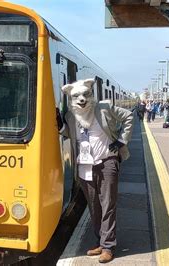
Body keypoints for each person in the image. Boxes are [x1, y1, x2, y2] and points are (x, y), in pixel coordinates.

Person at [57, 78, 134, 263]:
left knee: (108, 205)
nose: (82, 99)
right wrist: (59, 124)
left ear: (91, 95)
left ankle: (108, 246)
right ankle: (100, 241)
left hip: (106, 162)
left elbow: (129, 116)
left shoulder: (103, 109)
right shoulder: (70, 117)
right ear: (71, 98)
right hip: (84, 167)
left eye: (85, 94)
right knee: (93, 206)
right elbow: (70, 134)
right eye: (77, 96)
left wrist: (122, 140)